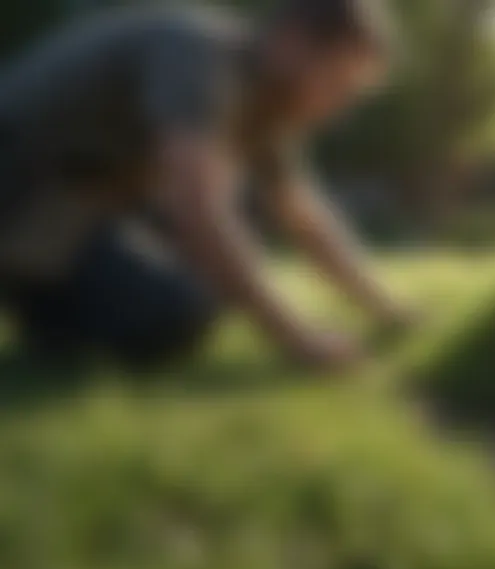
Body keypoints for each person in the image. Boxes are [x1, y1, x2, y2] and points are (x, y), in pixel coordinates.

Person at [0, 0, 413, 369]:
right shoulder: (196, 55)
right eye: (337, 83)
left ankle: (49, 313)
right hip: (19, 195)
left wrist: (385, 309)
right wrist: (299, 339)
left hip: (64, 213)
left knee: (205, 286)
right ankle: (46, 306)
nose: (339, 107)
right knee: (180, 307)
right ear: (292, 42)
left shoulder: (264, 106)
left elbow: (303, 216)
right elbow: (195, 207)